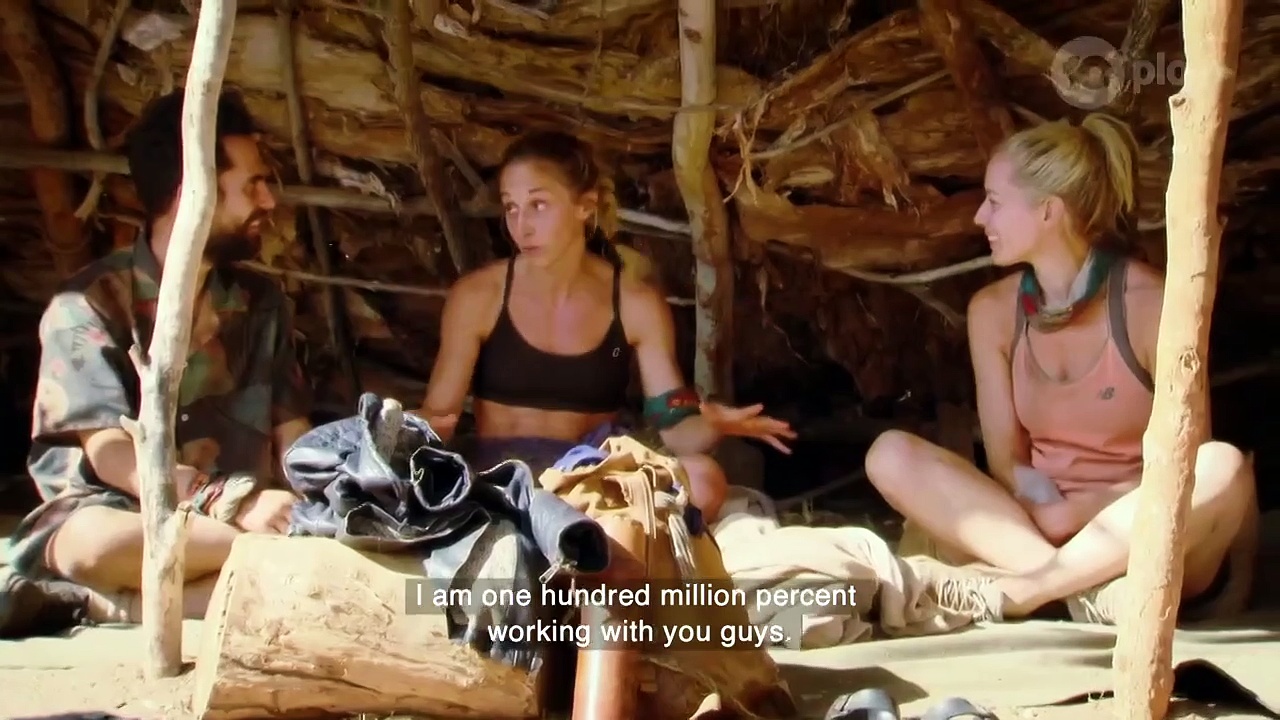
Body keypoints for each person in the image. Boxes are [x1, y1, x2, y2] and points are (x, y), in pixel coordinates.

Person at [864, 113, 1257, 624]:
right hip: (1034, 534)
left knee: (1221, 465)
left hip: (1143, 531)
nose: (980, 217)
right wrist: (1045, 509)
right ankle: (1086, 596)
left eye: (994, 201)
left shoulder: (1152, 305)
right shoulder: (992, 312)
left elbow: (1184, 463)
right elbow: (1007, 462)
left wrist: (1077, 512)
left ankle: (1033, 592)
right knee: (890, 455)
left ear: (1049, 211)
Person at [0, 90, 313, 638]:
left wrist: (322, 496)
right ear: (194, 192)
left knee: (302, 554)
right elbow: (111, 455)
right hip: (131, 515)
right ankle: (263, 568)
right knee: (94, 543)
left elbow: (294, 436)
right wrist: (231, 502)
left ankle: (111, 606)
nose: (268, 201)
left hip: (236, 531)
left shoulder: (262, 304)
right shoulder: (89, 304)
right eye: (253, 185)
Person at [418, 130, 795, 523]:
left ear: (585, 206)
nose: (521, 225)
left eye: (538, 204)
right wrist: (395, 427)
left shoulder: (635, 304)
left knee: (703, 478)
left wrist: (712, 423)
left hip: (588, 471)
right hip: (501, 473)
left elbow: (675, 425)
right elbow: (438, 418)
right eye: (511, 207)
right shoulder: (478, 296)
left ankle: (579, 526)